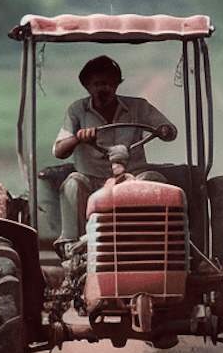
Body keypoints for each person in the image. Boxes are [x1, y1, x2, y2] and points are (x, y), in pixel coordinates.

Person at [52, 55, 177, 257]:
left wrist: (164, 130)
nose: (105, 89)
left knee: (155, 181)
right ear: (86, 85)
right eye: (98, 84)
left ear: (117, 84)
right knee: (73, 183)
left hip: (132, 177)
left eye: (110, 84)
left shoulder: (138, 107)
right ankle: (72, 245)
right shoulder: (77, 111)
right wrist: (79, 138)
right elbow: (59, 151)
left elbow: (170, 131)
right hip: (92, 180)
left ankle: (161, 239)